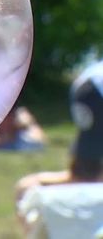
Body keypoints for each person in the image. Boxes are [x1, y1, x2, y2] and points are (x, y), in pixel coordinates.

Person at [15, 61, 103, 199]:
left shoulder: (89, 79)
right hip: (93, 90)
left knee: (86, 174)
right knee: (87, 176)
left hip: (86, 85)